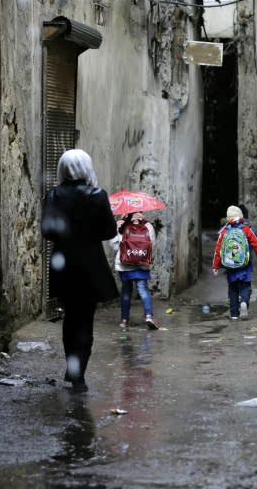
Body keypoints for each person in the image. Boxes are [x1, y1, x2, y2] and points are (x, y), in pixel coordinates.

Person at [42, 149, 118, 393]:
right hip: (90, 266)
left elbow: (47, 231)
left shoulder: (52, 195)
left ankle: (72, 367)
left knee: (70, 319)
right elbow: (109, 231)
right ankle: (79, 375)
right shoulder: (97, 195)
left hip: (63, 265)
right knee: (86, 320)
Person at [212, 205, 257, 320]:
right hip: (244, 267)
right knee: (246, 287)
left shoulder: (224, 231)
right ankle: (244, 303)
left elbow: (218, 249)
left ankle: (234, 314)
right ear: (241, 217)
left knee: (233, 290)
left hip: (230, 268)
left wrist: (215, 266)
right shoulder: (246, 230)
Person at [109, 212, 158, 330]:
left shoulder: (122, 224)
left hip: (124, 265)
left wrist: (117, 228)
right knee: (143, 290)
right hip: (142, 264)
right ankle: (149, 316)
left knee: (126, 292)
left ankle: (124, 320)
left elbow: (114, 246)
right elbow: (152, 244)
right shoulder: (147, 225)